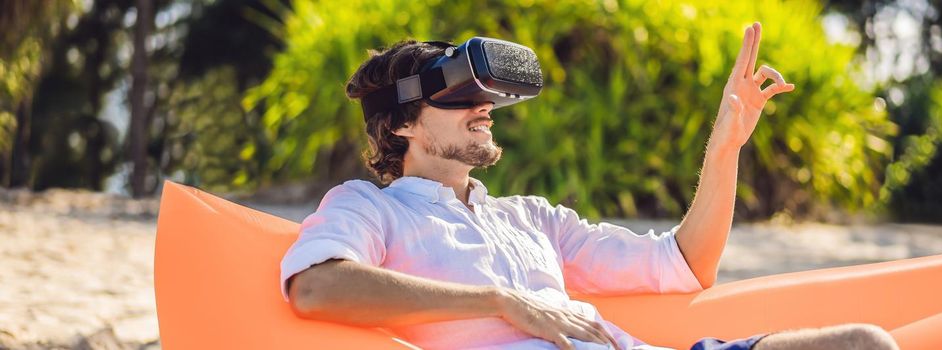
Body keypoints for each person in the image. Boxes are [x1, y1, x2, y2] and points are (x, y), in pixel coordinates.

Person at [280, 22, 899, 350]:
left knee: (864, 344)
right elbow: (316, 287)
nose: (487, 108)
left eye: (488, 96)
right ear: (405, 122)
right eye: (463, 95)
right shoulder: (369, 208)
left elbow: (685, 264)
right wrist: (500, 302)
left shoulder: (530, 218)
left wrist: (726, 144)